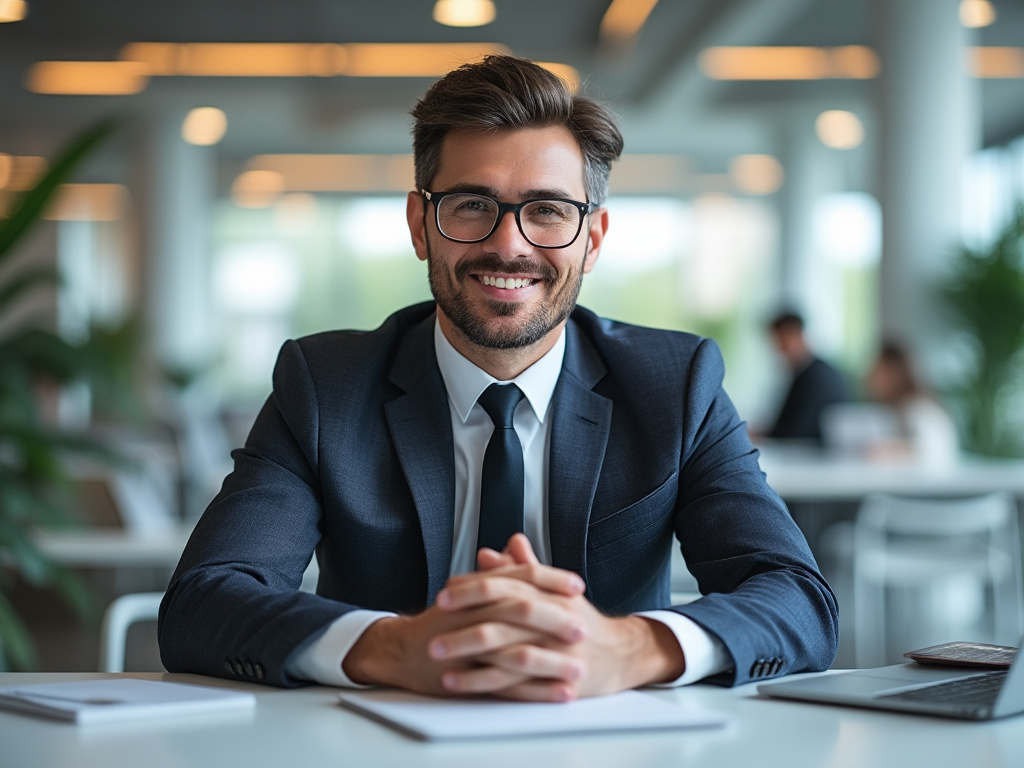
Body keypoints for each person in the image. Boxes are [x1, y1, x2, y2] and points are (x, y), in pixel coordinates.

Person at [158, 56, 838, 701]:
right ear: (421, 225)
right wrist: (393, 647)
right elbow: (204, 601)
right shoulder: (325, 386)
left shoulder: (674, 384)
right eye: (471, 204)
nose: (509, 244)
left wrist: (625, 650)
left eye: (547, 210)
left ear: (592, 239)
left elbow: (795, 598)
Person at [863, 341, 958, 466]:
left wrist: (890, 451)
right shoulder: (902, 406)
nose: (870, 378)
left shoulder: (918, 406)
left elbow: (933, 449)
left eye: (878, 372)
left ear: (894, 374)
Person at [764, 311, 848, 443]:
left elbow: (797, 430)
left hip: (814, 458)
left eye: (781, 341)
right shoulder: (806, 373)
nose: (779, 349)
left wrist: (766, 435)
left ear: (794, 335)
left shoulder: (816, 378)